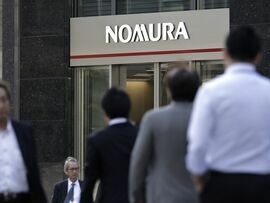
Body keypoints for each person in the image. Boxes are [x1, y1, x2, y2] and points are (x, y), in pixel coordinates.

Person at [186, 26, 270, 203]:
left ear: (225, 54)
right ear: (257, 56)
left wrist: (199, 179)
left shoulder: (210, 91)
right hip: (263, 184)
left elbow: (198, 143)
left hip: (221, 184)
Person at [129, 67, 200, 203]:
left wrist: (136, 197)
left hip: (161, 196)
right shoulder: (206, 119)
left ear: (169, 90)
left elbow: (138, 162)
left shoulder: (153, 119)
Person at [80, 87, 137, 203]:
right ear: (128, 109)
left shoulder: (97, 140)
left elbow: (89, 183)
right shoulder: (141, 134)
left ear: (105, 112)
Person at [0, 80, 47, 203]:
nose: (0, 105)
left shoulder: (24, 131)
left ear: (9, 103)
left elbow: (34, 174)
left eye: (3, 100)